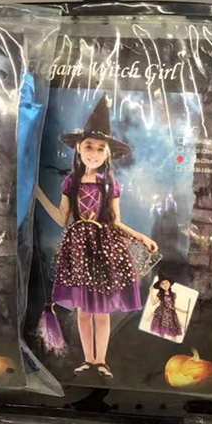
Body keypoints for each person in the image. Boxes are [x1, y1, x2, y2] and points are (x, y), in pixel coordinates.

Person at [36, 95, 158, 379]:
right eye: (89, 146)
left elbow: (115, 221)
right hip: (78, 248)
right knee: (83, 310)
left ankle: (101, 360)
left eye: (100, 149)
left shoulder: (110, 184)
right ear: (79, 148)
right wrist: (38, 194)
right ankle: (88, 360)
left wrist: (140, 237)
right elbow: (62, 218)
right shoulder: (71, 182)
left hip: (104, 249)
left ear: (107, 154)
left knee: (101, 310)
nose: (93, 153)